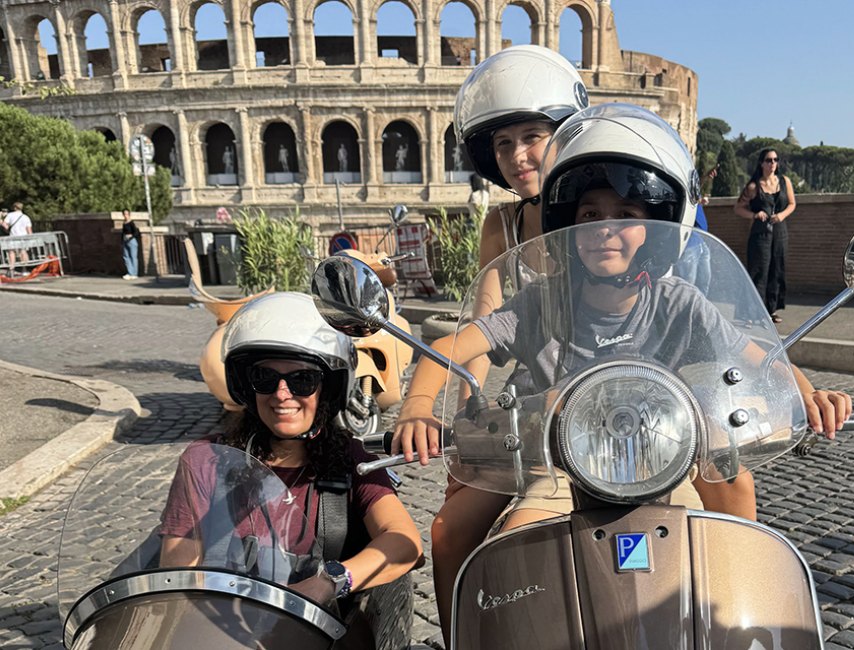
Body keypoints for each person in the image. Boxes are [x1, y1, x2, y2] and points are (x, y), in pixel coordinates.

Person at [394, 106, 851, 641]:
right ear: (568, 226)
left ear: (655, 229)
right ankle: (465, 638)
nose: (604, 229)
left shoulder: (681, 303)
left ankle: (734, 621)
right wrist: (417, 408)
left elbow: (763, 358)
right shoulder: (542, 302)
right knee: (454, 532)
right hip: (555, 465)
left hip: (664, 458)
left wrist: (809, 395)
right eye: (589, 215)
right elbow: (448, 347)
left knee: (733, 484)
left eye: (626, 213)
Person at [418, 44, 589, 647]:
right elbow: (483, 323)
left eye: (532, 135)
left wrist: (793, 389)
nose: (518, 155)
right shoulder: (504, 224)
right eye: (503, 143)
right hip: (533, 425)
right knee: (448, 531)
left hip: (622, 415)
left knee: (731, 488)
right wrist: (439, 400)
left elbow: (705, 315)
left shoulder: (613, 212)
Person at [159, 292, 422, 605]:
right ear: (245, 385)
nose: (282, 394)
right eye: (264, 378)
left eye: (302, 380)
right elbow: (177, 574)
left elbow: (404, 542)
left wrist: (329, 582)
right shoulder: (206, 461)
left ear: (327, 388)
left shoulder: (351, 460)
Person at [734, 148, 796, 323]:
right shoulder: (754, 186)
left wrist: (782, 215)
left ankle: (771, 310)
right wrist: (754, 215)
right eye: (769, 160)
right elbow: (738, 208)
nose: (773, 163)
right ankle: (753, 313)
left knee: (777, 269)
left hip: (780, 232)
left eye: (776, 160)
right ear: (762, 163)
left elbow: (792, 204)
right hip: (760, 233)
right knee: (759, 271)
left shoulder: (785, 182)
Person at [2, 202, 33, 276]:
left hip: (13, 237)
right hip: (23, 237)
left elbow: (6, 226)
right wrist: (30, 238)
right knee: (23, 252)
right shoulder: (26, 217)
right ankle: (24, 270)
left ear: (14, 207)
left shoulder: (10, 215)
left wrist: (1, 221)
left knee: (11, 252)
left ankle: (11, 269)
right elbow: (29, 229)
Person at [120, 209, 141, 280]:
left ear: (129, 214)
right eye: (124, 214)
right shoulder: (124, 223)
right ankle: (130, 272)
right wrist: (122, 241)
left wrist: (130, 237)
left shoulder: (131, 223)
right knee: (126, 256)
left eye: (127, 214)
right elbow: (123, 232)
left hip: (132, 241)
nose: (125, 215)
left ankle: (134, 273)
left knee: (133, 257)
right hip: (125, 240)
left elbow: (136, 232)